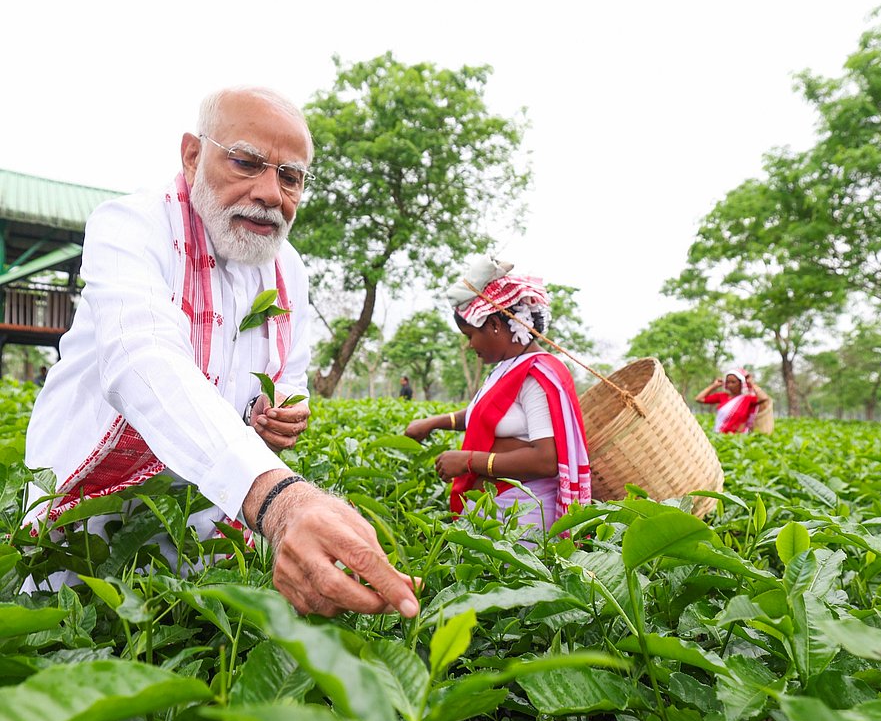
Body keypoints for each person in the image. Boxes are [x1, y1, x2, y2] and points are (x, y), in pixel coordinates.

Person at [23, 87, 420, 619]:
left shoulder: (288, 269)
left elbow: (290, 375)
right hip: (89, 528)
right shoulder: (132, 227)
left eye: (290, 176)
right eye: (246, 163)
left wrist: (282, 412)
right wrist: (280, 499)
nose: (270, 193)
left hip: (208, 529)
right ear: (192, 155)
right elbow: (143, 359)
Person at [404, 256, 590, 537]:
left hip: (523, 523)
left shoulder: (535, 375)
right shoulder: (508, 368)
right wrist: (433, 423)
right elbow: (486, 415)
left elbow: (546, 460)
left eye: (470, 335)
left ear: (493, 324)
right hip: (499, 515)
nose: (470, 345)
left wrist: (468, 461)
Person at [695, 369, 770, 433]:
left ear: (741, 383)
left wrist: (751, 384)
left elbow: (764, 398)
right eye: (728, 382)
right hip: (720, 434)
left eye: (733, 382)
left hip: (738, 437)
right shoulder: (722, 396)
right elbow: (699, 399)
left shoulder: (747, 399)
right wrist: (714, 386)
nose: (730, 385)